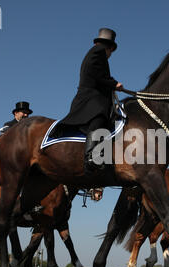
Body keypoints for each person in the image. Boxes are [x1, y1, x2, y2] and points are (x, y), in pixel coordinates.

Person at [51, 28, 123, 172]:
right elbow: (98, 74)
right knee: (100, 115)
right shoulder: (99, 52)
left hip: (92, 95)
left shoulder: (96, 52)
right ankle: (91, 155)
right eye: (111, 52)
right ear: (109, 47)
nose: (110, 55)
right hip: (90, 98)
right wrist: (114, 83)